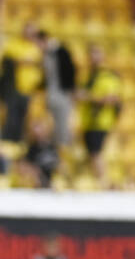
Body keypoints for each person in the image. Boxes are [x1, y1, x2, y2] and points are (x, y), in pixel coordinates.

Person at [77, 44, 122, 187]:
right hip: (89, 121)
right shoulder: (89, 76)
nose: (92, 58)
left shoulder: (107, 75)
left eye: (96, 54)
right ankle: (98, 181)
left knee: (96, 152)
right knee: (91, 153)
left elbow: (112, 98)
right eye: (91, 54)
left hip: (100, 120)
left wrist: (88, 97)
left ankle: (103, 182)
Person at [1, 22, 44, 143]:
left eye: (32, 32)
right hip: (14, 87)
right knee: (12, 117)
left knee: (24, 117)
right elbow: (7, 61)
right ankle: (8, 142)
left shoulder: (36, 48)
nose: (29, 34)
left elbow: (40, 65)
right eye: (28, 31)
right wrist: (22, 61)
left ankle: (19, 142)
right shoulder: (14, 44)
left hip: (30, 89)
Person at [38, 29, 77, 147]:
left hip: (62, 94)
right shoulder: (45, 55)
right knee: (52, 126)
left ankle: (64, 151)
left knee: (63, 125)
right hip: (51, 95)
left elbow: (70, 71)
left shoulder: (61, 52)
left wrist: (70, 90)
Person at [15, 115, 60, 188]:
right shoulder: (31, 148)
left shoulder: (53, 146)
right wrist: (32, 170)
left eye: (39, 128)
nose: (37, 132)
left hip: (53, 182)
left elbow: (59, 164)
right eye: (34, 129)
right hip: (38, 183)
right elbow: (22, 165)